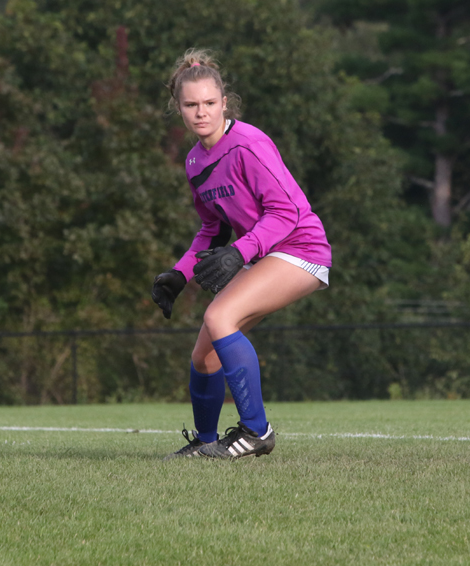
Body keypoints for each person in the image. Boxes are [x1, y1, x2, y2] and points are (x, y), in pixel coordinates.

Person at [152, 49, 332, 460]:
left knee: (220, 317)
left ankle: (257, 431)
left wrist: (240, 251)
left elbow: (285, 212)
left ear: (224, 103)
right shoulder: (195, 161)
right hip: (261, 254)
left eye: (210, 103)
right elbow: (211, 229)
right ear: (178, 108)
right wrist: (179, 275)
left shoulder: (248, 144)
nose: (202, 112)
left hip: (300, 248)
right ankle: (206, 441)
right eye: (191, 105)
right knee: (204, 352)